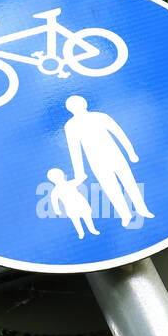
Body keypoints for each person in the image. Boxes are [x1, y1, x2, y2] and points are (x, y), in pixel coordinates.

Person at [62, 96, 153, 228]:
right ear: (70, 109)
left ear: (84, 103)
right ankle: (125, 215)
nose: (77, 107)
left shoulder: (100, 116)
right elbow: (74, 149)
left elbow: (119, 134)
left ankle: (142, 209)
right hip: (96, 162)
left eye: (78, 104)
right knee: (111, 189)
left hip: (115, 155)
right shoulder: (70, 126)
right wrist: (79, 172)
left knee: (130, 183)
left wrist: (131, 153)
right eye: (73, 106)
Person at [47, 167, 99, 239]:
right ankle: (81, 233)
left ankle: (92, 229)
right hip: (71, 208)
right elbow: (54, 200)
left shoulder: (70, 183)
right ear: (52, 180)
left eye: (59, 176)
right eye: (56, 178)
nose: (59, 179)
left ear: (62, 175)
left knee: (87, 217)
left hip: (81, 204)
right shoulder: (55, 191)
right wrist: (57, 210)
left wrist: (83, 177)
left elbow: (79, 180)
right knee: (76, 221)